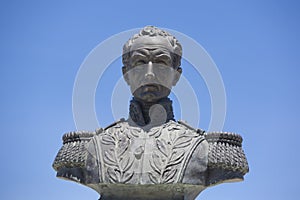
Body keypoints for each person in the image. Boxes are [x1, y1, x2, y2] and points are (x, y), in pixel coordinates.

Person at [53, 26, 248, 200]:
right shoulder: (87, 148)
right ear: (125, 74)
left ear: (177, 75)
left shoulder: (209, 149)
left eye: (161, 63)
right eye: (139, 62)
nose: (149, 73)